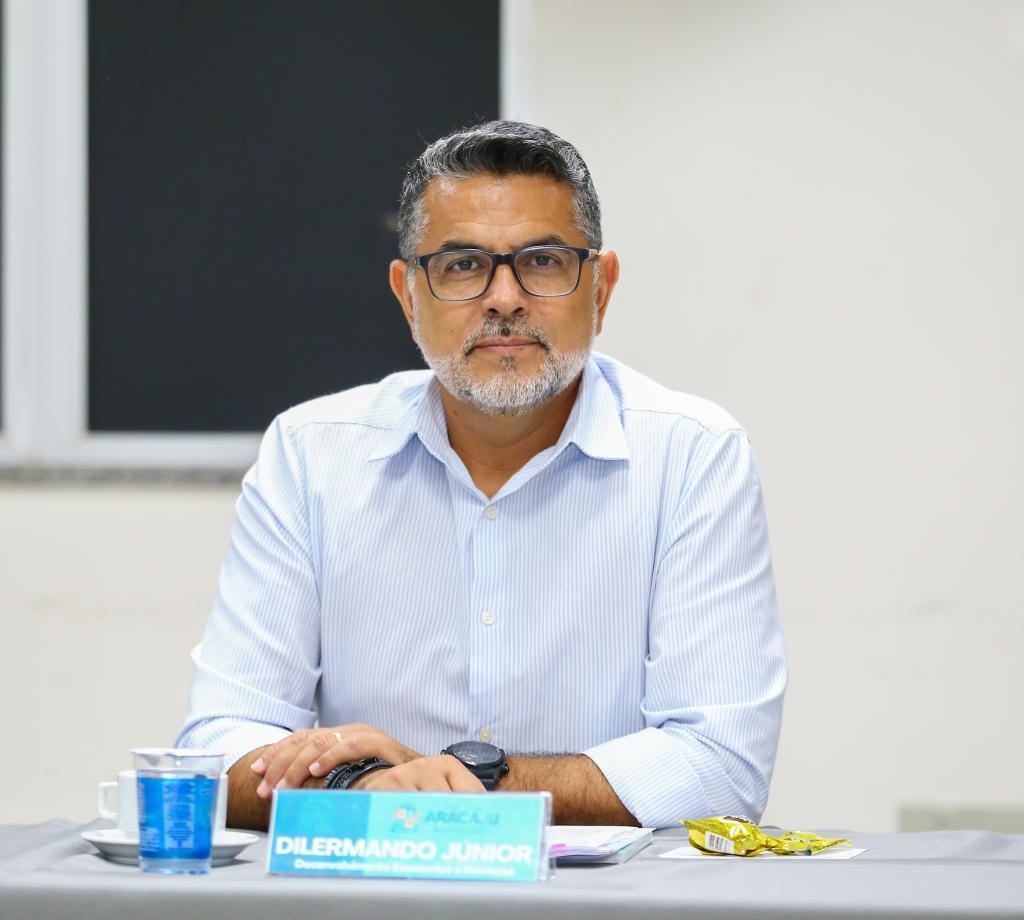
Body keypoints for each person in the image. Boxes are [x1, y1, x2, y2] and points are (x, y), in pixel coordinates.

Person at [176, 120, 787, 831]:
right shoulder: (311, 454)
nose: (503, 298)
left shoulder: (692, 455)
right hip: (372, 880)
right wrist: (361, 783)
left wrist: (448, 781)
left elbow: (721, 769)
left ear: (601, 289)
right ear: (408, 295)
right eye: (463, 265)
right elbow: (216, 749)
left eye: (543, 261)